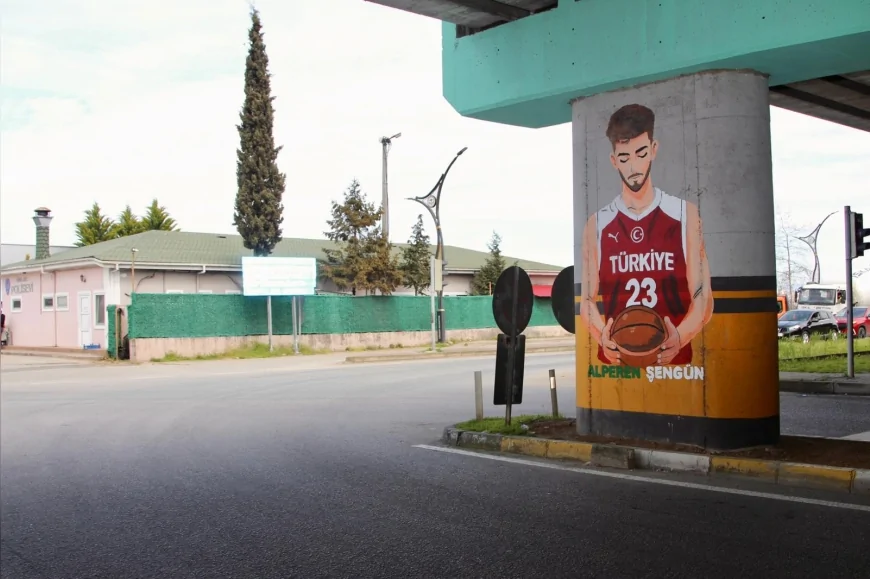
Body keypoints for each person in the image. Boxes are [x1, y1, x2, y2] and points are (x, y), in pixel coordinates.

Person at [579, 103, 713, 366]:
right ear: (613, 159)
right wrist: (600, 334)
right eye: (624, 158)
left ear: (653, 149)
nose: (633, 167)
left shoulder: (685, 214)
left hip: (675, 362)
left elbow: (703, 296)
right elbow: (586, 300)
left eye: (640, 154)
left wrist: (681, 336)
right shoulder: (597, 224)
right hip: (617, 362)